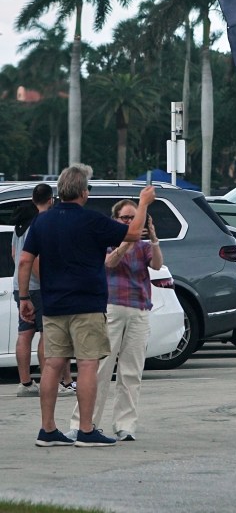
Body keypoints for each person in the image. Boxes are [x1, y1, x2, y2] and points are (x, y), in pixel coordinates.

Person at [17, 164, 155, 447]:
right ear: (83, 192)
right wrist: (143, 203)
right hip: (87, 304)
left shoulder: (41, 222)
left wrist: (24, 298)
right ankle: (86, 430)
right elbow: (133, 233)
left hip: (54, 304)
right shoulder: (91, 221)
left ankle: (47, 429)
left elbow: (24, 261)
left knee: (53, 365)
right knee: (88, 364)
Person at [68, 199, 163, 441]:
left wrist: (152, 238)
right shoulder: (107, 241)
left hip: (139, 309)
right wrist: (124, 245)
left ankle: (125, 425)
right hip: (111, 307)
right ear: (115, 219)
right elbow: (108, 264)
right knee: (99, 369)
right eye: (125, 218)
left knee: (131, 372)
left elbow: (158, 264)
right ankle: (83, 424)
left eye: (134, 218)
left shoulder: (143, 245)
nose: (130, 222)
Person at [11, 183, 54, 397]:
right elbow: (34, 259)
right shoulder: (39, 223)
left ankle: (25, 383)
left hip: (19, 286)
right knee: (46, 334)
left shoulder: (19, 226)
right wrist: (48, 282)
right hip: (36, 287)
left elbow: (15, 256)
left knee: (24, 334)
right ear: (51, 199)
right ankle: (48, 381)